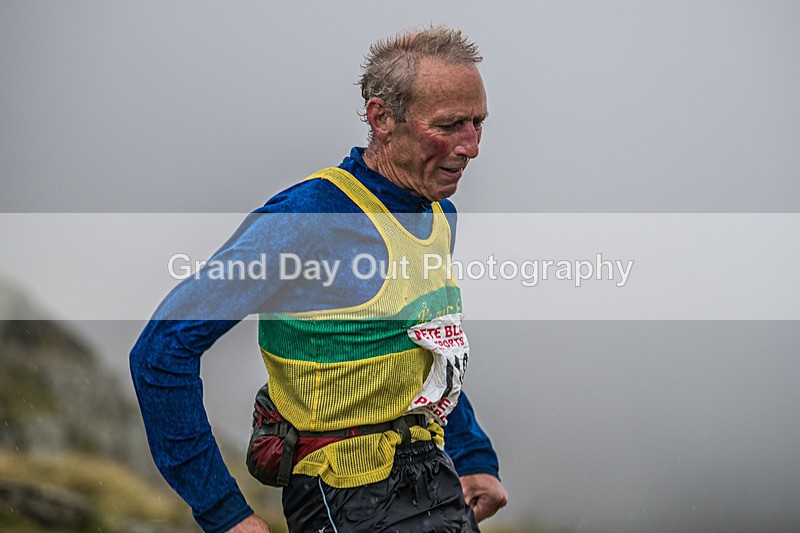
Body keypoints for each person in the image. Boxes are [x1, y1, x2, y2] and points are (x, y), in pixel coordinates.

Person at [130, 25, 507, 532]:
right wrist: (224, 514)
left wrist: (472, 453)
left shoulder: (439, 214)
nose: (471, 146)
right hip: (344, 498)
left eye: (478, 123)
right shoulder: (309, 220)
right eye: (450, 124)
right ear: (381, 119)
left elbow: (426, 350)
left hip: (434, 480)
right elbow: (161, 351)